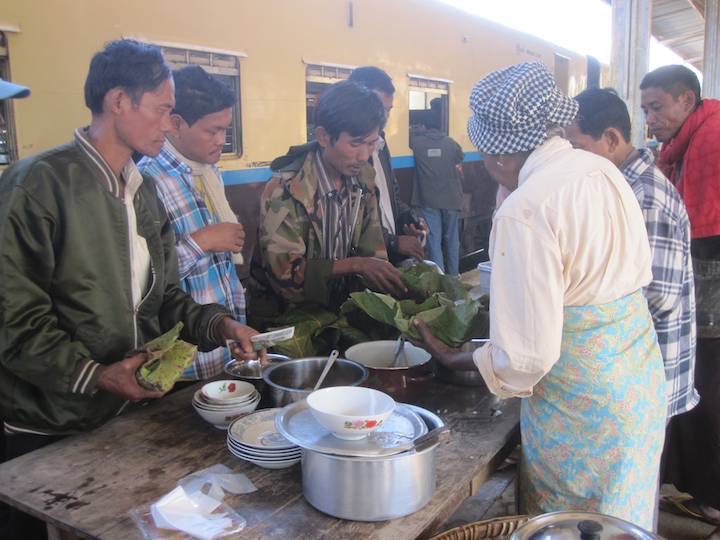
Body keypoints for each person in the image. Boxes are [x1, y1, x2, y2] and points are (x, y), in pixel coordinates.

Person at [0, 40, 260, 539]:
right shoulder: (37, 185)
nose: (169, 123)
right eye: (163, 109)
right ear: (119, 101)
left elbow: (163, 299)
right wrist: (96, 375)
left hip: (122, 417)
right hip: (52, 429)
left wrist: (218, 324)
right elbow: (16, 325)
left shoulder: (141, 193)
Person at [415, 62, 665, 529]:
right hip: (636, 386)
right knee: (619, 522)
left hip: (581, 411)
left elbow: (527, 358)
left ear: (498, 154)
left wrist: (460, 356)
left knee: (571, 526)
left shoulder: (525, 209)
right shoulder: (600, 169)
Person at [565, 87, 697, 421]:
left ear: (610, 139)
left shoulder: (644, 198)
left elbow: (659, 297)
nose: (571, 159)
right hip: (635, 370)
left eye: (577, 147)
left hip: (647, 376)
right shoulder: (620, 186)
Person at [248, 80, 406, 326]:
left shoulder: (364, 182)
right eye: (355, 143)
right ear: (323, 136)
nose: (364, 156)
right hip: (287, 326)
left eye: (371, 143)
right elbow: (286, 279)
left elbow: (373, 254)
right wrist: (356, 265)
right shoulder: (285, 191)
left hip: (338, 319)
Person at [641, 64, 720, 535]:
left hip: (712, 273)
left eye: (657, 107)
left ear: (686, 100)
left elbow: (700, 229)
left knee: (707, 384)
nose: (650, 118)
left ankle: (713, 496)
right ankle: (699, 488)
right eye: (646, 108)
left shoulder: (710, 141)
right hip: (704, 270)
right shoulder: (685, 140)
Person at [138, 65, 246, 380]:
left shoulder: (208, 172)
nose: (222, 141)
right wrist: (203, 241)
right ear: (176, 124)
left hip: (221, 344)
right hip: (182, 362)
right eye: (212, 130)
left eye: (226, 129)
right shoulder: (149, 180)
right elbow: (147, 282)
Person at [348, 66, 427, 263]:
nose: (383, 119)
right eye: (379, 109)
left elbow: (390, 196)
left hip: (385, 261)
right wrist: (392, 242)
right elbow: (349, 221)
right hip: (362, 267)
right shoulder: (345, 157)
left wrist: (409, 219)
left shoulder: (382, 146)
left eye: (388, 111)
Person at [409, 110, 464, 275]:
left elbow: (410, 135)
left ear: (424, 126)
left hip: (429, 200)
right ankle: (454, 277)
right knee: (452, 240)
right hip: (452, 199)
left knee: (434, 240)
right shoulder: (451, 143)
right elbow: (459, 157)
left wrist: (417, 130)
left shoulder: (416, 143)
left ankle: (440, 278)